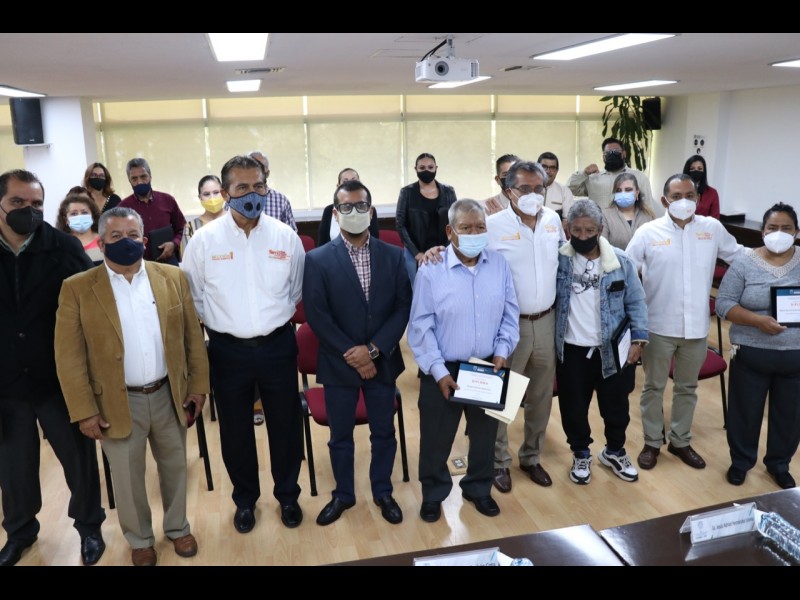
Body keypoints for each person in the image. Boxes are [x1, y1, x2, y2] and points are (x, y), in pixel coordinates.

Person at [55, 207, 210, 567]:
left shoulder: (172, 277)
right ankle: (140, 539)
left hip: (169, 394)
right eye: (115, 237)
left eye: (132, 236)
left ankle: (178, 527)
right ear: (101, 243)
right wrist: (84, 411)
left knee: (175, 467)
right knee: (126, 478)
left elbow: (193, 338)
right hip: (115, 402)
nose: (125, 242)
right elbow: (69, 357)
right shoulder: (77, 288)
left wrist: (199, 386)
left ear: (143, 240)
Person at [182, 155, 306, 533]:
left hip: (278, 345)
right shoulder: (204, 242)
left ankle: (288, 495)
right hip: (227, 350)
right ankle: (245, 500)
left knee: (285, 426)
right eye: (242, 188)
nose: (252, 194)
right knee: (235, 430)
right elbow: (194, 297)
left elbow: (296, 291)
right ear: (225, 193)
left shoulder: (285, 237)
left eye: (258, 186)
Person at [0, 169, 105, 567]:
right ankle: (20, 532)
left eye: (36, 204)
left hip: (58, 378)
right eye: (17, 202)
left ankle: (89, 527)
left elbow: (90, 313)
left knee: (78, 460)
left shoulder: (62, 248)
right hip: (7, 382)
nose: (28, 211)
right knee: (14, 466)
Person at [303, 180, 411, 525]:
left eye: (361, 206)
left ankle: (383, 491)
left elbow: (402, 307)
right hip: (339, 365)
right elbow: (317, 315)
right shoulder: (317, 259)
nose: (354, 212)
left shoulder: (393, 255)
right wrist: (353, 353)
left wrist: (373, 351)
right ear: (336, 214)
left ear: (372, 211)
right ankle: (343, 495)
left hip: (382, 362)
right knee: (340, 437)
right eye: (346, 207)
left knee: (384, 433)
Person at [408, 199, 519, 523]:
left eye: (479, 227)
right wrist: (438, 371)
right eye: (466, 228)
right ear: (450, 231)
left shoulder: (498, 264)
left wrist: (502, 350)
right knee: (435, 438)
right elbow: (421, 324)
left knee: (485, 437)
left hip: (488, 366)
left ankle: (478, 488)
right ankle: (433, 494)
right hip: (443, 367)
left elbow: (510, 313)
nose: (474, 233)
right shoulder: (431, 269)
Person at [626, 174, 741, 471]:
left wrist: (779, 256)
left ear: (698, 199)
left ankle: (680, 441)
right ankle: (652, 442)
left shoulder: (711, 228)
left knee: (687, 387)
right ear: (665, 201)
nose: (684, 201)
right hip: (658, 326)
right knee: (653, 387)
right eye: (676, 196)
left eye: (690, 195)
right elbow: (626, 273)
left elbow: (740, 256)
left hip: (696, 329)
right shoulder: (648, 232)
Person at [555, 200, 648, 485]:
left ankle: (614, 451)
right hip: (571, 349)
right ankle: (581, 453)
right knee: (573, 407)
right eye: (576, 230)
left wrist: (639, 340)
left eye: (589, 231)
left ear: (600, 229)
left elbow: (636, 301)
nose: (583, 236)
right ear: (567, 229)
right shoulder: (559, 259)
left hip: (612, 349)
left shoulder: (621, 261)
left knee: (616, 406)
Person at [716, 203, 800, 489]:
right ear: (763, 231)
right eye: (772, 228)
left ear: (796, 232)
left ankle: (779, 464)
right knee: (744, 413)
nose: (779, 233)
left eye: (786, 228)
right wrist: (757, 321)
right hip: (751, 353)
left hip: (795, 357)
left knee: (789, 416)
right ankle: (740, 462)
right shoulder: (745, 261)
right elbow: (723, 303)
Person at [395, 153, 457, 286]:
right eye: (422, 168)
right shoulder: (407, 192)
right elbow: (400, 224)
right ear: (416, 169)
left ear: (436, 168)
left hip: (443, 249)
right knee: (416, 288)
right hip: (415, 250)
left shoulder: (449, 192)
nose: (426, 171)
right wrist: (416, 253)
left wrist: (445, 249)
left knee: (445, 287)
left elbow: (455, 222)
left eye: (430, 167)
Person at [119, 158, 186, 266]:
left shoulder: (168, 200)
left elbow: (182, 228)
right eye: (134, 179)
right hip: (138, 265)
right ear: (129, 181)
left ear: (150, 176)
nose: (140, 182)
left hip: (169, 262)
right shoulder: (122, 208)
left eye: (143, 176)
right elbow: (119, 239)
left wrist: (174, 244)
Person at [567, 137, 656, 215]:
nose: (612, 154)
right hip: (599, 225)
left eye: (616, 151)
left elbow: (648, 208)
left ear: (624, 154)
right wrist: (584, 172)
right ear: (604, 157)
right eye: (608, 152)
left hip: (629, 226)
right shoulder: (594, 178)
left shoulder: (639, 177)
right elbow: (570, 189)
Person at [317, 168, 379, 246]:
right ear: (338, 186)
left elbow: (375, 241)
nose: (350, 184)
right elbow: (322, 243)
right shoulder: (329, 210)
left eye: (354, 180)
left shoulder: (367, 209)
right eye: (345, 181)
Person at [601, 172, 655, 250]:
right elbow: (602, 246)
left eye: (628, 190)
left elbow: (653, 245)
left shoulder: (648, 215)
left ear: (637, 193)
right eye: (618, 190)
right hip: (614, 258)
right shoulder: (605, 215)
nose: (623, 194)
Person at [248, 150, 298, 231]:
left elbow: (291, 234)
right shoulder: (233, 199)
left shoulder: (281, 201)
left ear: (267, 173)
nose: (254, 172)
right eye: (249, 168)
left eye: (259, 168)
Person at [55, 187, 103, 264]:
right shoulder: (60, 246)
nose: (80, 216)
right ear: (66, 219)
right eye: (74, 214)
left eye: (84, 212)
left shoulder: (104, 240)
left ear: (93, 216)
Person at [683, 154, 720, 219]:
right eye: (692, 168)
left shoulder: (712, 193)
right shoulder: (679, 190)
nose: (696, 171)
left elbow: (715, 219)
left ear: (704, 171)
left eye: (699, 168)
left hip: (704, 225)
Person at [538, 151, 575, 217]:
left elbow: (567, 219)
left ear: (557, 171)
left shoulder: (564, 191)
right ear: (537, 168)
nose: (548, 171)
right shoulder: (527, 189)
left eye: (552, 168)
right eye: (544, 167)